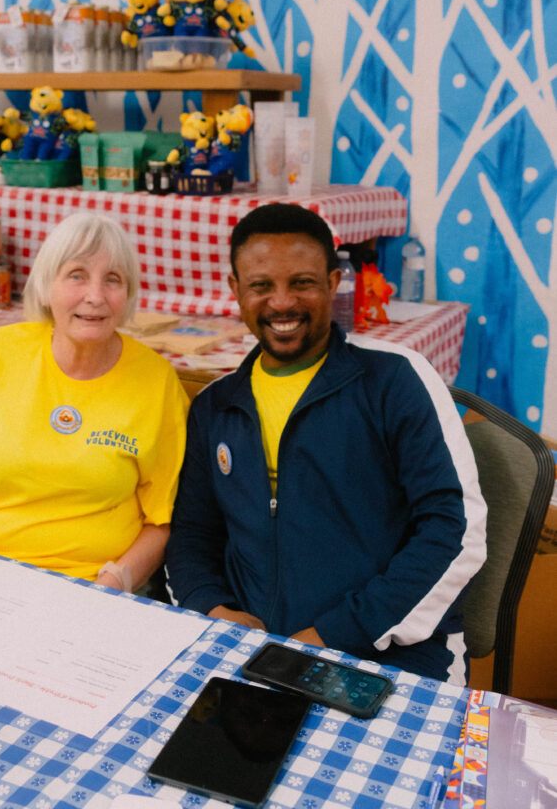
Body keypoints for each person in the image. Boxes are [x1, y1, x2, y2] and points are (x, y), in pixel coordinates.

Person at [165, 203, 487, 682]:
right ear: (235, 291)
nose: (281, 302)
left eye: (302, 282)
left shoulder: (396, 378)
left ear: (333, 283)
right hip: (251, 652)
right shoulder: (215, 406)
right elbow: (192, 535)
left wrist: (331, 634)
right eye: (260, 286)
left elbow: (454, 531)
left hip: (390, 655)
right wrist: (214, 611)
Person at [0, 212, 189, 592]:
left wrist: (116, 581)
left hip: (92, 587)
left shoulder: (157, 381)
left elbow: (162, 519)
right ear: (46, 286)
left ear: (127, 295)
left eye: (113, 279)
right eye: (77, 275)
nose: (95, 296)